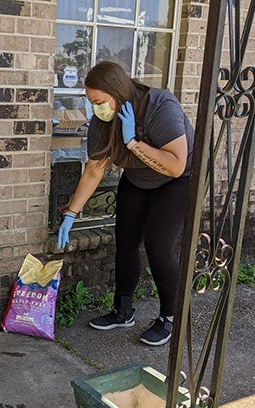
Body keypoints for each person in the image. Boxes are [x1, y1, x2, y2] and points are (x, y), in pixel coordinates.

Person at [56, 61, 194, 346]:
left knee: (159, 244)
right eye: (90, 102)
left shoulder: (159, 107)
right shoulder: (102, 123)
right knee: (126, 241)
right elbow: (94, 170)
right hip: (138, 177)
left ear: (117, 93)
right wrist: (71, 213)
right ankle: (123, 311)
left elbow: (176, 165)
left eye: (98, 101)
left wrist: (132, 142)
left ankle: (170, 317)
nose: (95, 108)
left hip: (177, 179)